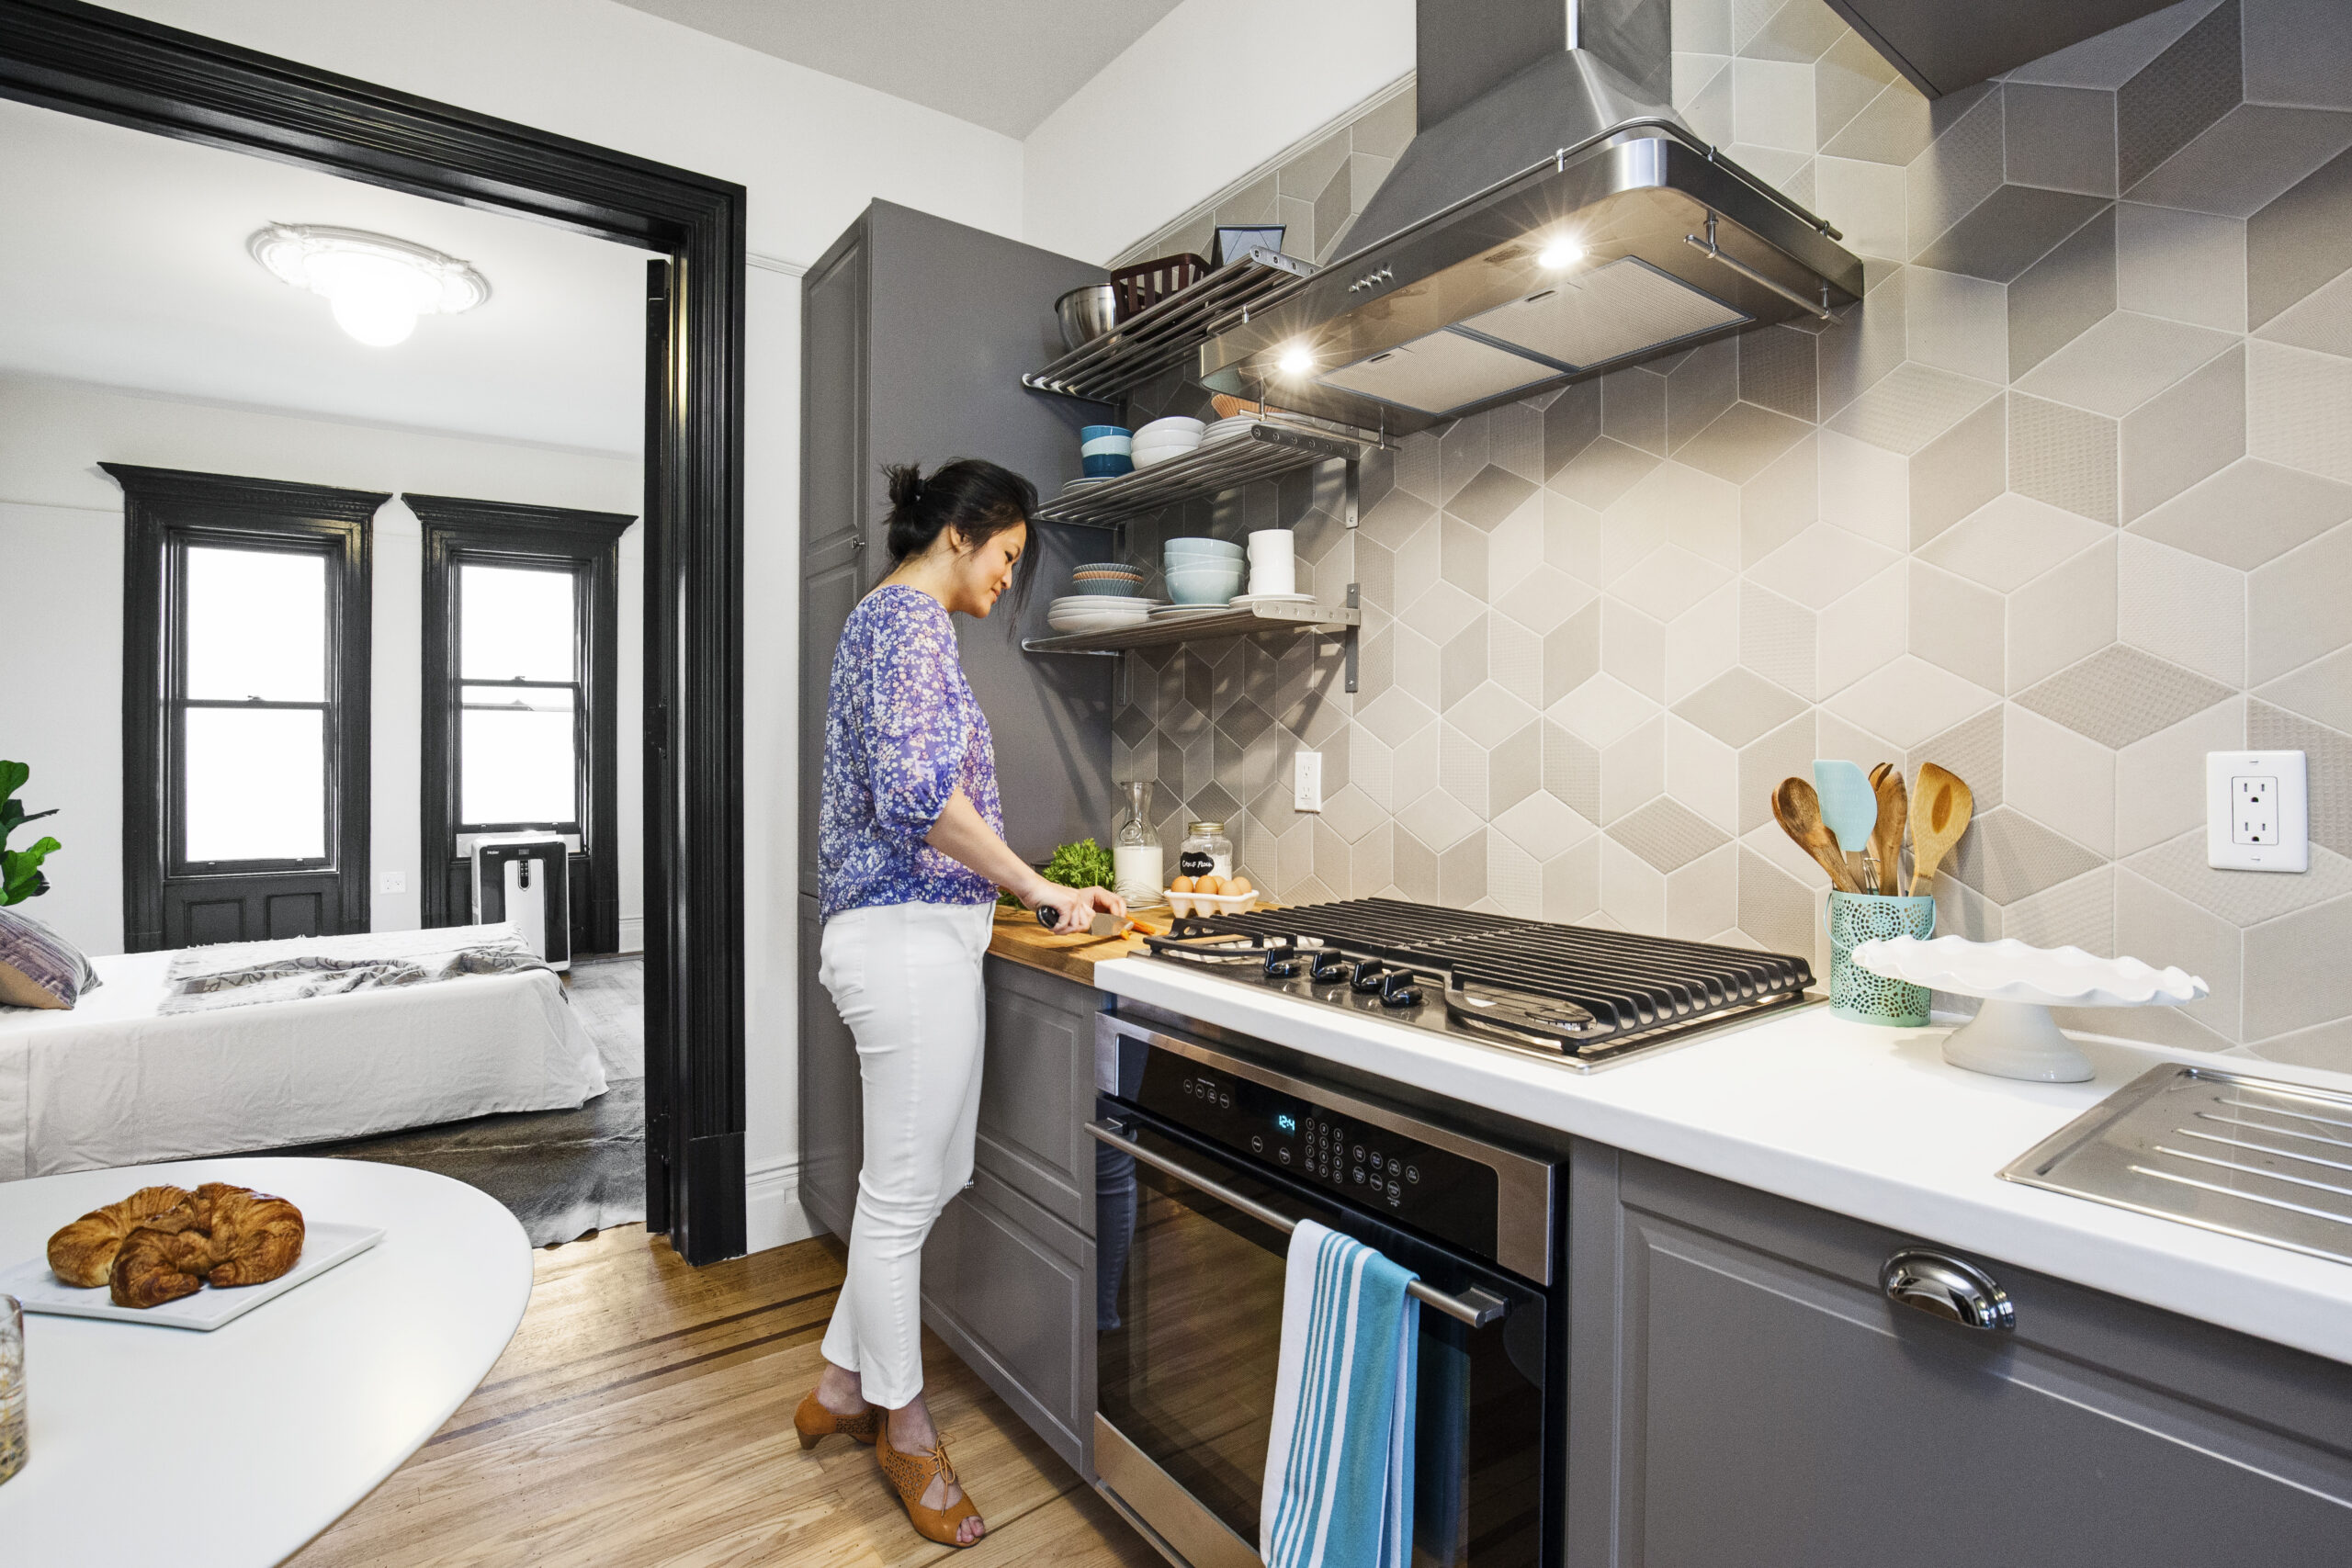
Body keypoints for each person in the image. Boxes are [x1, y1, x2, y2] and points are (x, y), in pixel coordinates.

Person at [793, 457, 1124, 1548]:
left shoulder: (886, 625)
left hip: (909, 936)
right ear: (962, 534)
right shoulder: (908, 624)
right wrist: (1033, 885)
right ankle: (909, 1430)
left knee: (929, 1178)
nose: (1006, 581)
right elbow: (920, 799)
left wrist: (1018, 889)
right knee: (900, 1196)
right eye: (1009, 557)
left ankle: (843, 1384)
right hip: (901, 937)